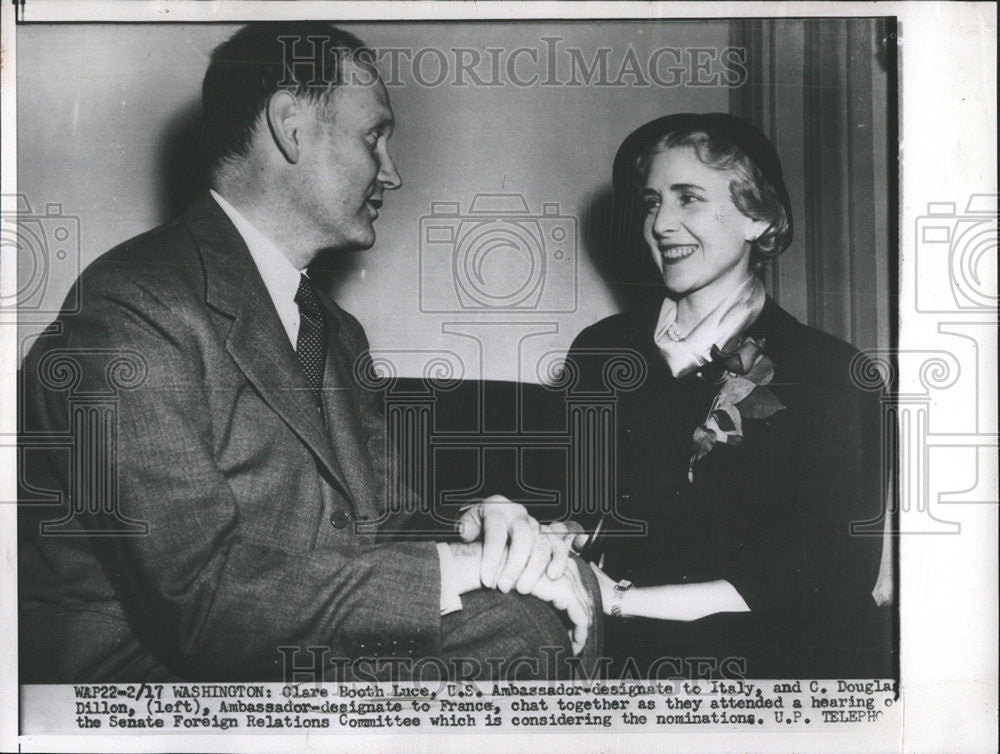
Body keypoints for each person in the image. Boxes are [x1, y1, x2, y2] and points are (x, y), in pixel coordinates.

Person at [17, 22, 600, 683]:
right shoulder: (131, 308)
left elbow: (385, 520)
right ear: (291, 126)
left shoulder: (334, 329)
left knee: (551, 580)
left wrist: (479, 527)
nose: (394, 172)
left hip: (278, 653)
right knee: (520, 627)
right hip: (148, 680)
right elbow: (201, 601)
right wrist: (462, 570)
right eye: (373, 136)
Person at [564, 113, 892, 679]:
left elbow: (830, 579)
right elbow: (578, 510)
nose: (661, 223)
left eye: (688, 199)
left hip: (762, 668)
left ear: (759, 217)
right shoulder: (601, 351)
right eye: (650, 203)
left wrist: (619, 601)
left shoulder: (830, 372)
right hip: (600, 656)